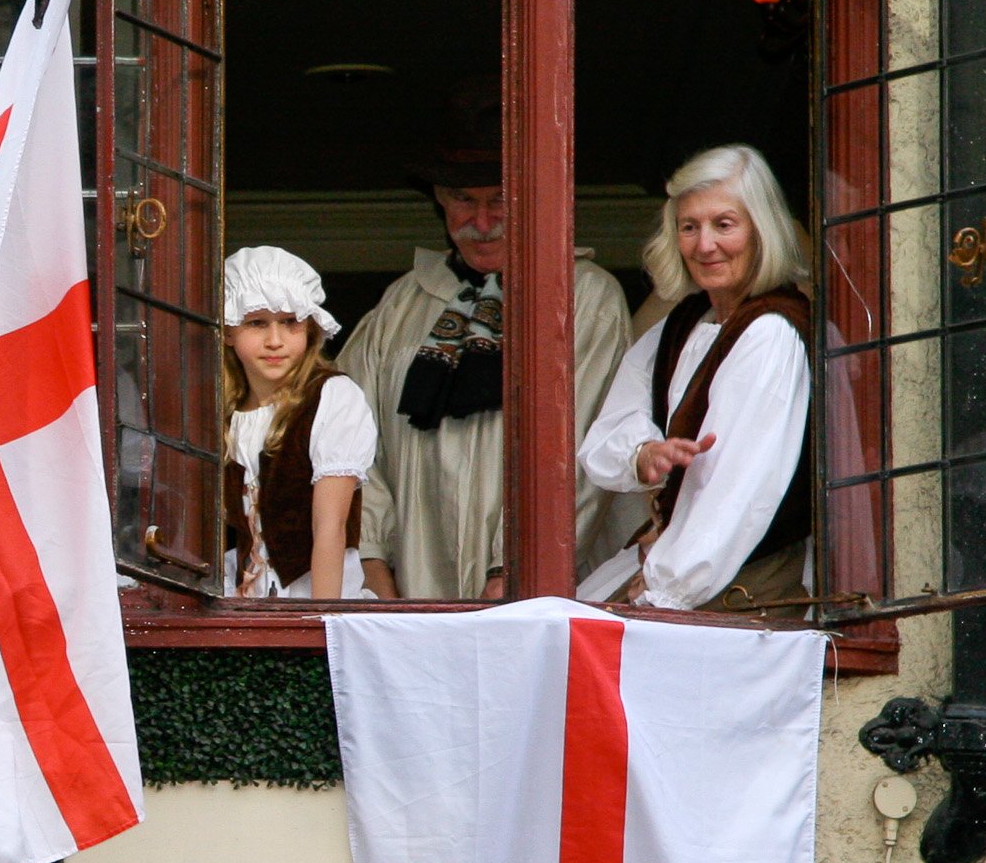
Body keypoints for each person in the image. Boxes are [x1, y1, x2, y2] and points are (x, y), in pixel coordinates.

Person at [336, 82, 630, 599]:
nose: (482, 221)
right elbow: (350, 443)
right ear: (439, 198)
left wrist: (512, 574)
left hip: (537, 598)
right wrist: (372, 569)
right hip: (405, 601)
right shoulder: (400, 305)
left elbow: (581, 452)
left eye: (500, 200)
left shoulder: (583, 298)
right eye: (463, 200)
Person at [575, 143, 814, 615]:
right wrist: (643, 454)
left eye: (724, 224)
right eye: (689, 227)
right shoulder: (685, 322)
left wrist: (664, 593)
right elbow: (606, 437)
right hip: (674, 562)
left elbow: (737, 494)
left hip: (738, 582)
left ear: (761, 229)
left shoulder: (771, 331)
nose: (704, 245)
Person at [219, 246, 378, 601]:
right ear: (229, 331)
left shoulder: (331, 397)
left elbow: (329, 527)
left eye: (290, 322)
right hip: (247, 607)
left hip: (317, 602)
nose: (275, 341)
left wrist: (319, 620)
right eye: (257, 323)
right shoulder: (225, 411)